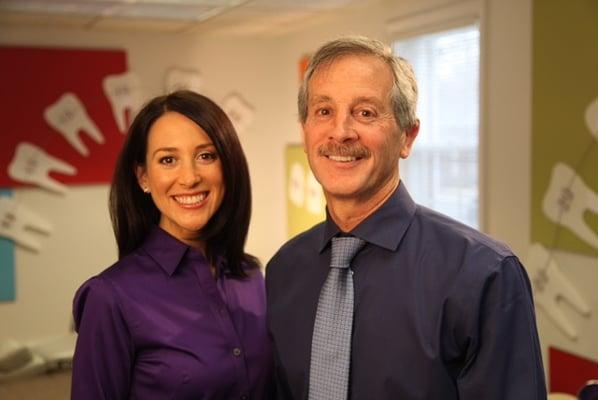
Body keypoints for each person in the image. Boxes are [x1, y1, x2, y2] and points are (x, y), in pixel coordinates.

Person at [266, 36, 546, 399]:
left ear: (408, 136)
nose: (341, 131)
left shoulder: (483, 275)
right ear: (305, 132)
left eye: (365, 112)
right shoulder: (283, 272)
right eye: (324, 111)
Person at [71, 90, 272, 399]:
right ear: (143, 178)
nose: (189, 177)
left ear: (228, 166)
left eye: (206, 156)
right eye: (168, 160)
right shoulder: (110, 297)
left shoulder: (249, 275)